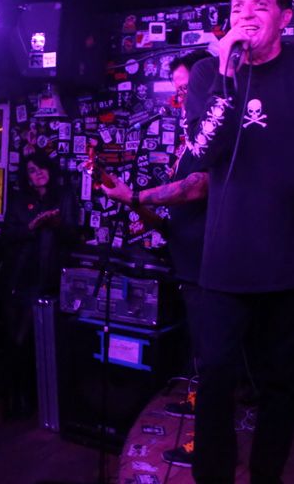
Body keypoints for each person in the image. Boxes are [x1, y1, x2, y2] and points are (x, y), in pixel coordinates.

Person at [182, 0, 294, 483]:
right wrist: (227, 75)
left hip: (293, 258)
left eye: (260, 5)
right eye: (238, 6)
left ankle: (265, 476)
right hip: (225, 261)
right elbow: (202, 152)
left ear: (285, 16)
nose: (247, 15)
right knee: (215, 377)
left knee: (281, 384)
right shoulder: (210, 73)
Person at [101, 49, 211, 465]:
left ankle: (207, 446)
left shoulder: (213, 140)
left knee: (211, 354)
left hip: (208, 266)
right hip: (186, 261)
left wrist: (136, 195)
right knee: (198, 349)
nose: (179, 98)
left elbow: (197, 187)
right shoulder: (190, 141)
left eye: (186, 89)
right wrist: (131, 204)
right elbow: (176, 218)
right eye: (177, 90)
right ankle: (197, 408)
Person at [1, 150, 78, 418]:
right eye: (32, 171)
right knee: (17, 340)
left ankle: (38, 401)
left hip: (50, 280)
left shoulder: (64, 196)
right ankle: (16, 399)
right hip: (19, 277)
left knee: (43, 343)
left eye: (42, 168)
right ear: (27, 177)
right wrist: (31, 227)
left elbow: (73, 237)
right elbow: (6, 235)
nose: (38, 173)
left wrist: (57, 225)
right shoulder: (20, 200)